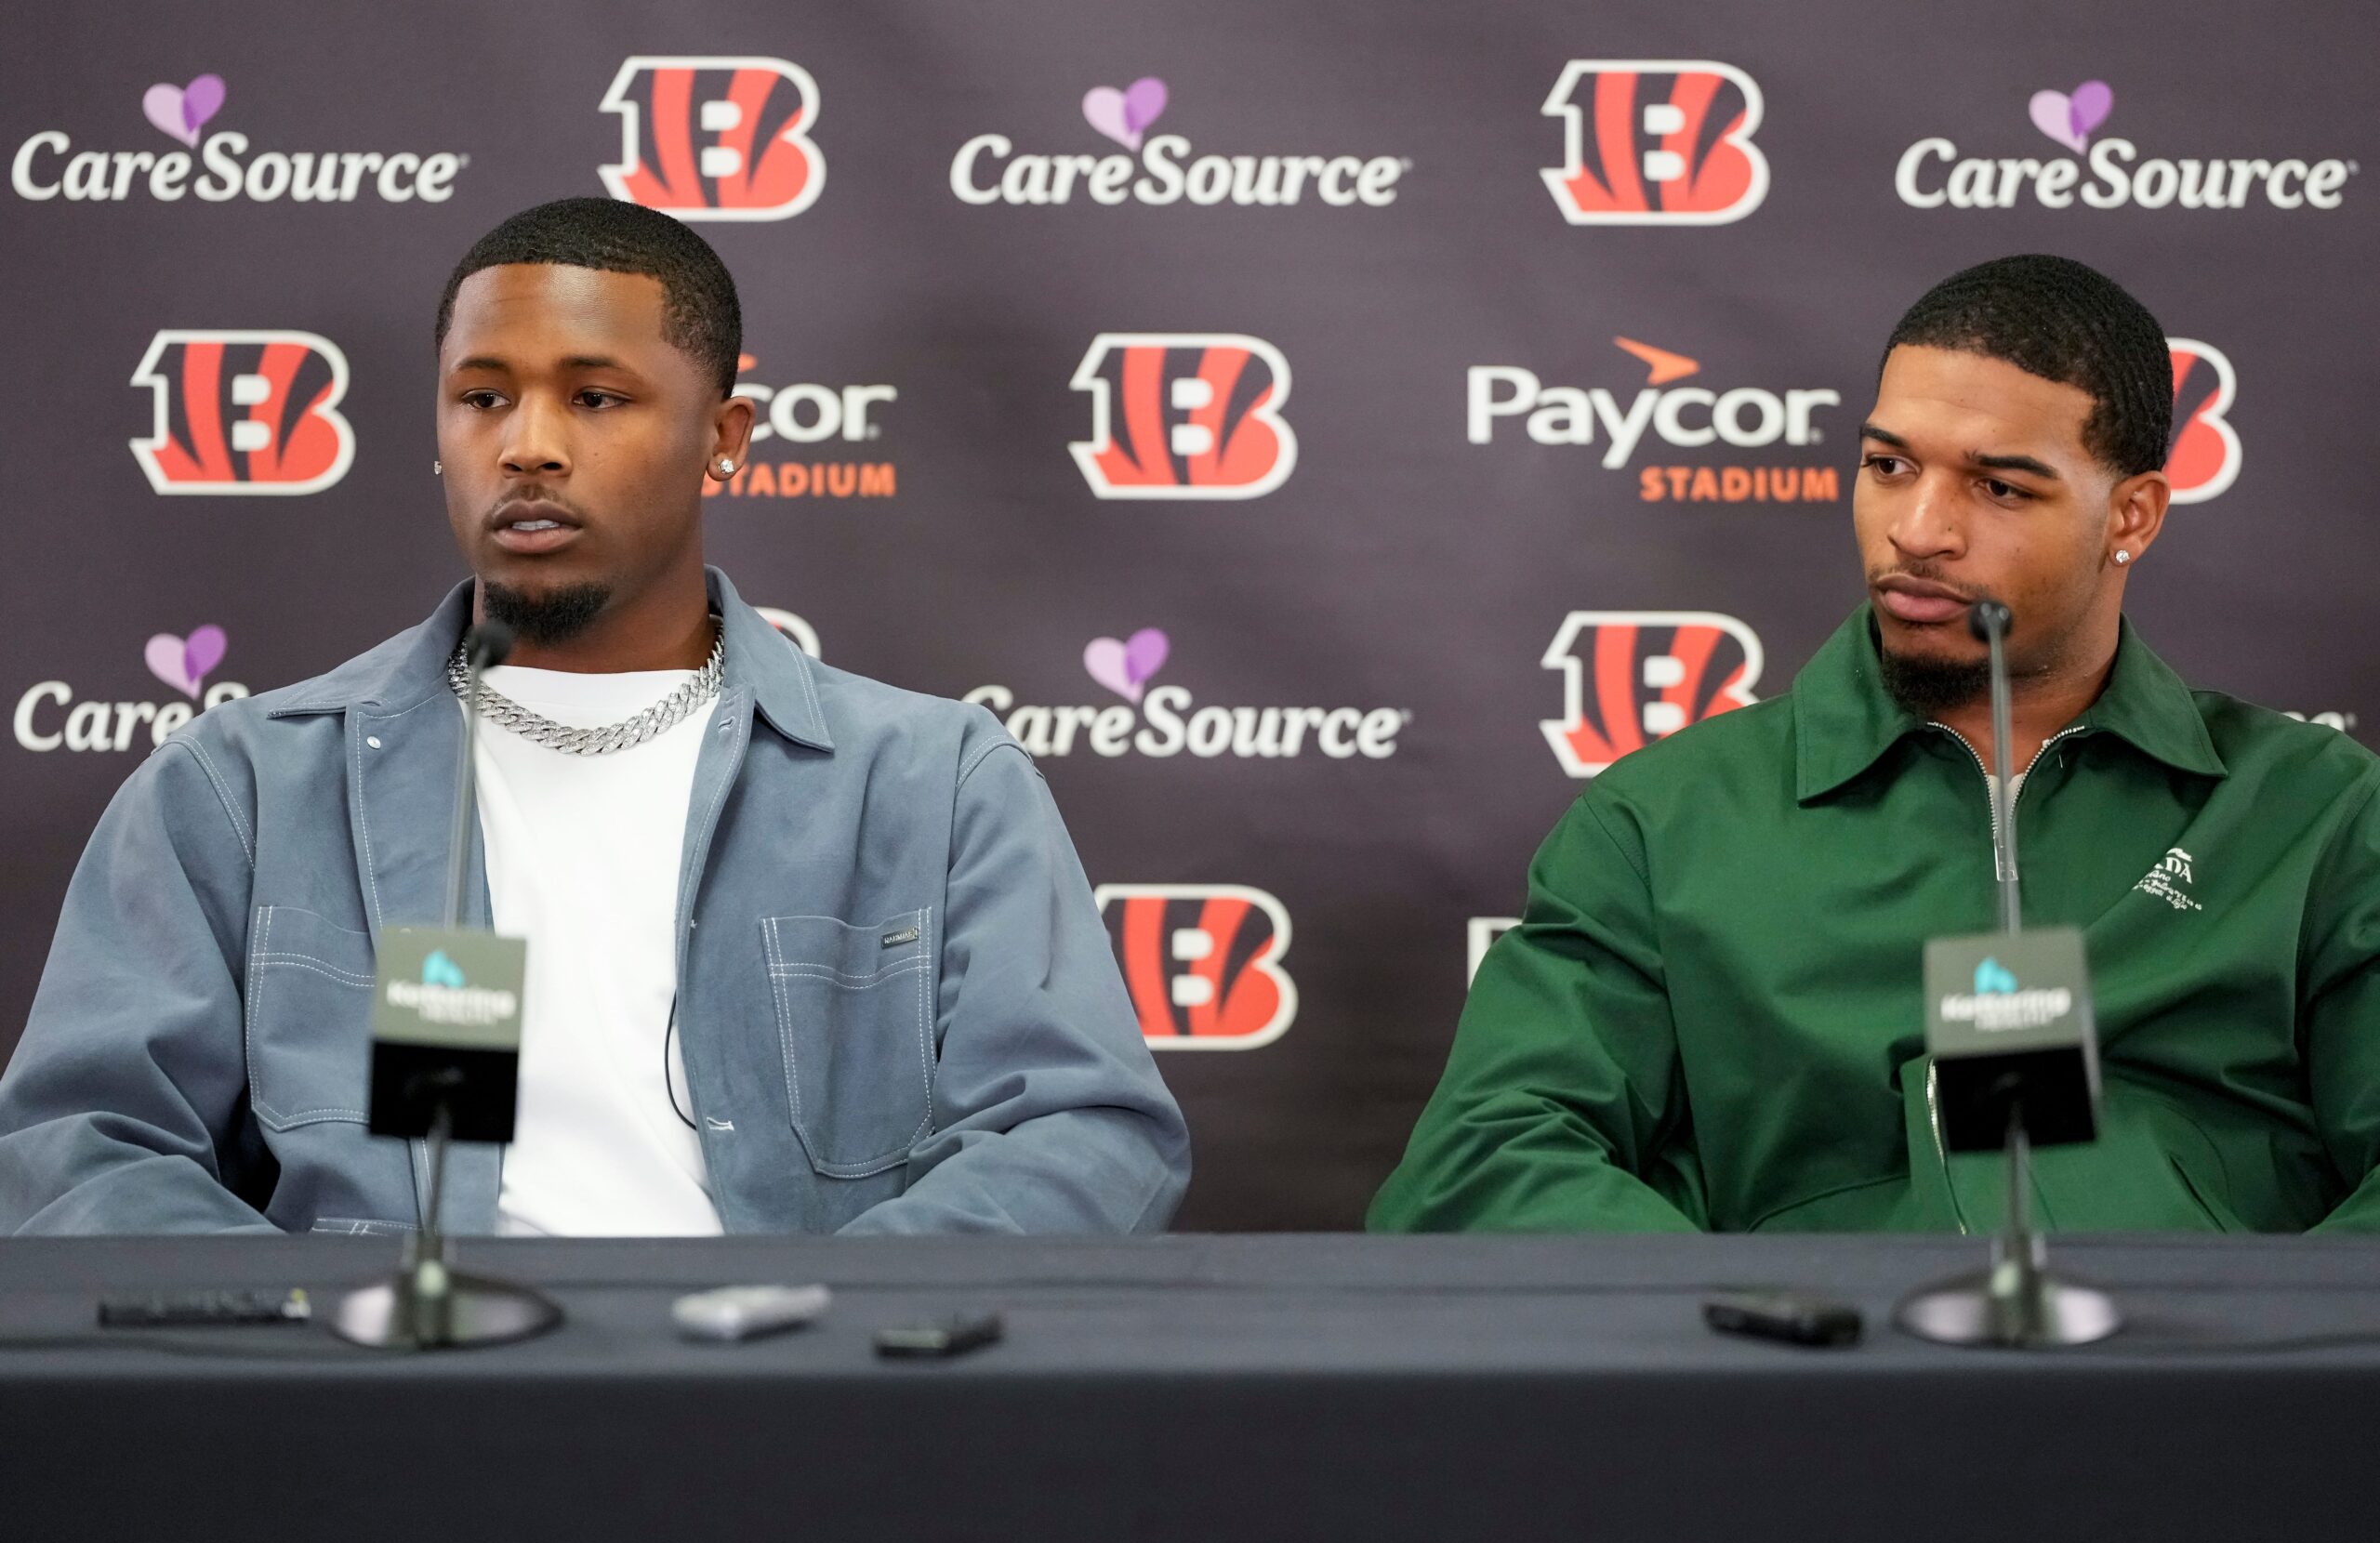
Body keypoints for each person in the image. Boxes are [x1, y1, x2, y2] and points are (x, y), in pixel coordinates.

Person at [0, 196, 1189, 1236]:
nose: (528, 447)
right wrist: (321, 1345)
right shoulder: (244, 786)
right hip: (381, 1426)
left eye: (597, 398)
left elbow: (1083, 1134)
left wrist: (824, 1335)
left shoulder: (929, 780)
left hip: (792, 1422)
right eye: (482, 398)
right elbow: (79, 1148)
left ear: (723, 439)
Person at [1374, 254, 2380, 1234]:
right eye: (1889, 467)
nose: (1919, 529)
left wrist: (2241, 1359)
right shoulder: (1660, 821)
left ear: (2132, 515)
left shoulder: (2312, 814)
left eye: (1999, 488)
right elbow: (1481, 1166)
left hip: (2205, 1391)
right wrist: (1767, 1344)